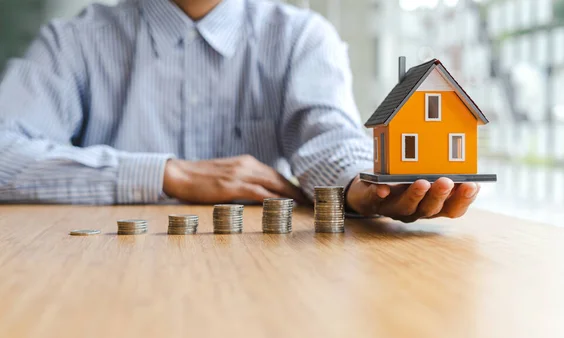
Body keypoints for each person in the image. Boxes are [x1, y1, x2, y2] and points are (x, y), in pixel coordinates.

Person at [0, 0, 479, 223]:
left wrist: (362, 187)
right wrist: (167, 174)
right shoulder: (73, 42)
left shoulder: (301, 37)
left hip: (267, 284)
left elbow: (327, 135)